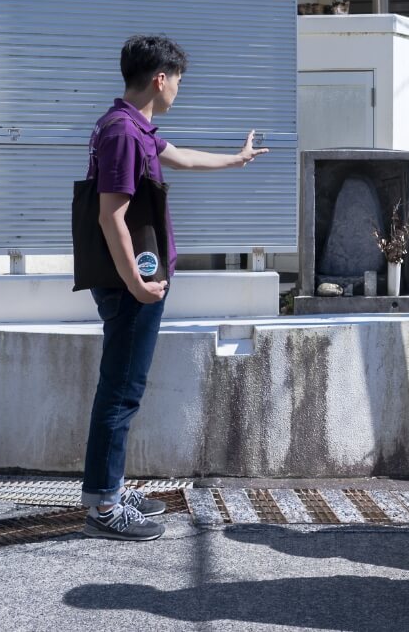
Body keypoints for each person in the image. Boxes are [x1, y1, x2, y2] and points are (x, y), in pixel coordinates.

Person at [80, 34, 268, 542]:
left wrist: (236, 159)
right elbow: (110, 214)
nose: (178, 88)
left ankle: (111, 488)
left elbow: (179, 155)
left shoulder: (132, 126)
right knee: (120, 392)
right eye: (178, 79)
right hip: (131, 286)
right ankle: (102, 503)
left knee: (125, 389)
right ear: (161, 79)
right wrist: (136, 284)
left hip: (136, 281)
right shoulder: (122, 132)